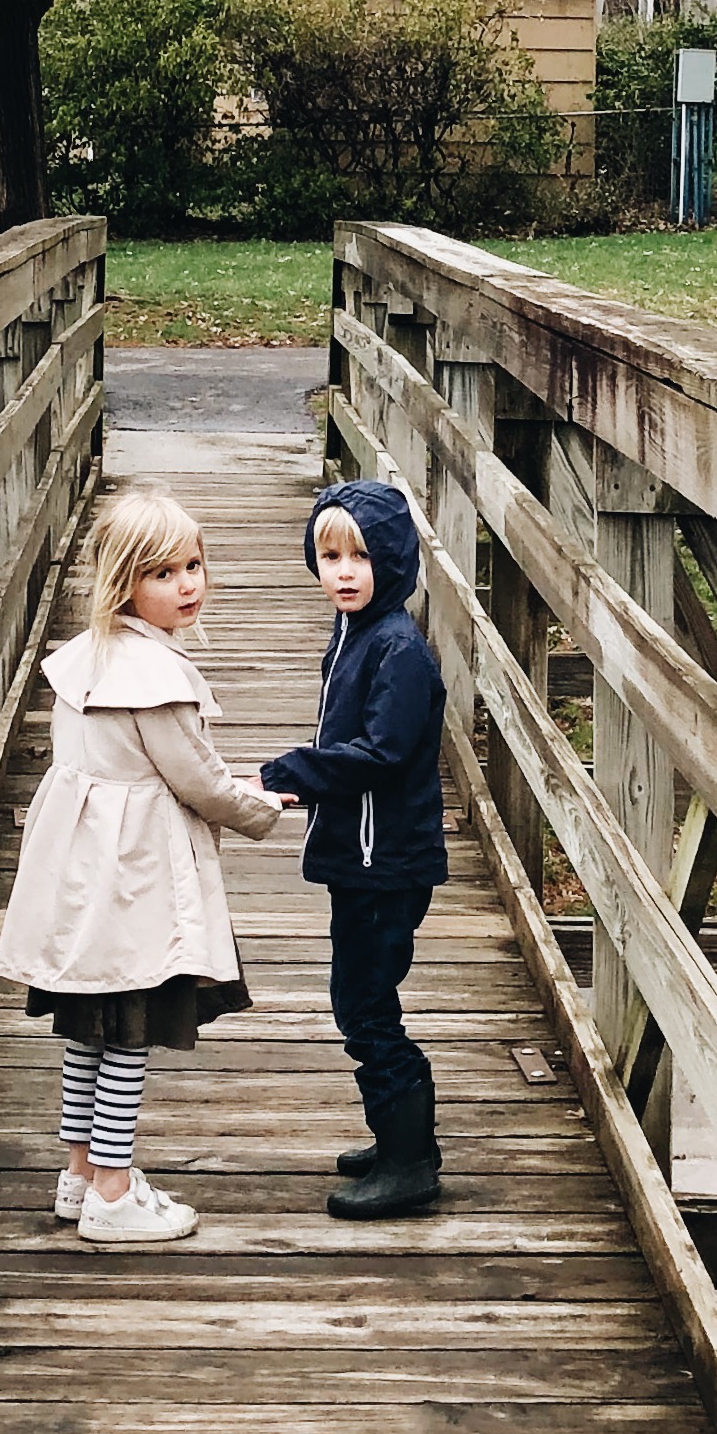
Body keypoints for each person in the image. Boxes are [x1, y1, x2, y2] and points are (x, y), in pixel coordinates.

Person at [0, 481, 286, 1248]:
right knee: (129, 1029)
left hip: (82, 876)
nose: (187, 584)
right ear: (123, 584)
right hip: (135, 880)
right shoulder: (152, 682)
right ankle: (116, 1194)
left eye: (194, 565)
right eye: (163, 573)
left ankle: (81, 1172)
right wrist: (263, 805)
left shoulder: (89, 660)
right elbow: (195, 778)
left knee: (88, 1026)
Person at [258, 479, 447, 1221]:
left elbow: (379, 754)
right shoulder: (355, 635)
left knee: (365, 1004)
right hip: (363, 853)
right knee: (362, 995)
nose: (343, 570)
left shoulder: (397, 648)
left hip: (386, 861)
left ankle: (410, 1162)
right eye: (329, 553)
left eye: (362, 556)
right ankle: (398, 1136)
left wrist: (291, 772)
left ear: (393, 561)